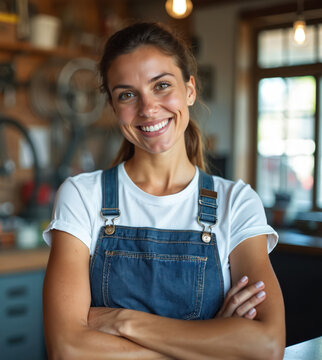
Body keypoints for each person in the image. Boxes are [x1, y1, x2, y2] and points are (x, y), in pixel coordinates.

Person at [42, 22, 285, 359]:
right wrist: (212, 342)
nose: (148, 108)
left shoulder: (237, 203)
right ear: (113, 107)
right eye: (127, 94)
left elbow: (267, 345)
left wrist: (123, 321)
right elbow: (67, 349)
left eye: (162, 86)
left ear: (190, 90)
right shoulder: (83, 196)